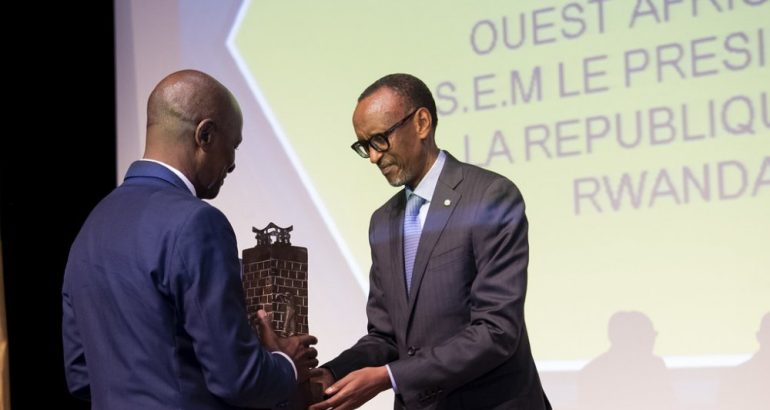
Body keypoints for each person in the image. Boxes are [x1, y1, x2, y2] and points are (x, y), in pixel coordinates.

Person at [62, 69, 318, 409]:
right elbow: (237, 379)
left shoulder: (92, 227)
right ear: (205, 135)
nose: (232, 164)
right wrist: (287, 364)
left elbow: (80, 374)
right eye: (233, 146)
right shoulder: (198, 223)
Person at [310, 73, 551, 410]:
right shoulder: (383, 221)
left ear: (421, 123)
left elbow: (496, 331)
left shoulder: (490, 197)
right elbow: (386, 336)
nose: (374, 157)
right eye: (365, 146)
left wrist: (391, 377)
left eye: (379, 140)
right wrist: (332, 373)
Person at [577, 311, 677, 410]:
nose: (651, 341)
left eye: (652, 336)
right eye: (645, 337)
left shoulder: (656, 366)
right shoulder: (593, 374)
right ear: (624, 339)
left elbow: (670, 403)